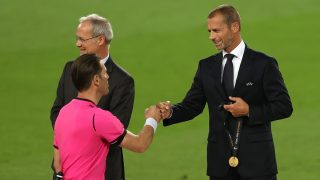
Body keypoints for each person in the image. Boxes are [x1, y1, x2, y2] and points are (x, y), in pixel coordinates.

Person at [158, 4, 293, 180]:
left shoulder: (263, 64)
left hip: (258, 165)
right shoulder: (206, 67)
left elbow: (284, 106)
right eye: (209, 31)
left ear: (234, 27)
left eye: (216, 30)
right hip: (220, 165)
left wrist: (249, 110)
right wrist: (170, 112)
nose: (211, 37)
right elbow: (192, 105)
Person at [50, 14, 134, 180]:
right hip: (65, 168)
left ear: (100, 40)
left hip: (103, 172)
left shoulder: (123, 80)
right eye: (77, 38)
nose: (77, 44)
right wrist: (71, 136)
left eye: (82, 39)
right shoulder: (70, 69)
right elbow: (56, 111)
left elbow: (117, 126)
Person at [53, 54, 162, 180]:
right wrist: (152, 118)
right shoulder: (99, 118)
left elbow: (58, 163)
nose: (108, 76)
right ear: (96, 80)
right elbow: (140, 144)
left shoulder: (63, 113)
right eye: (105, 73)